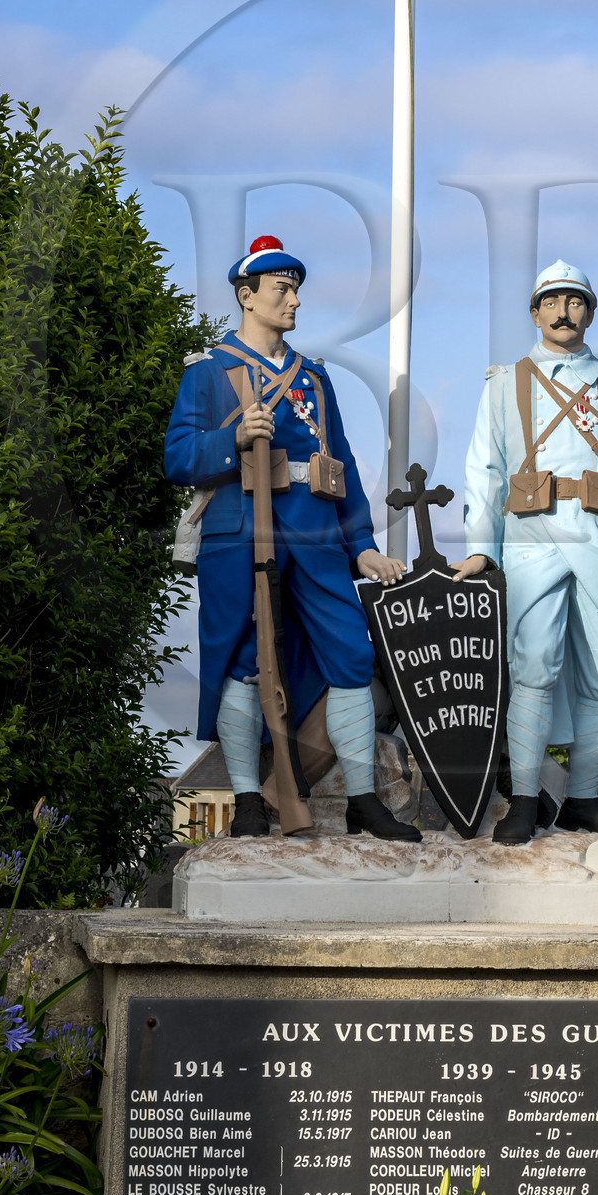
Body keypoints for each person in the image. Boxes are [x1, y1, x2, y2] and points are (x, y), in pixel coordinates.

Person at [164, 235, 418, 843]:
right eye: (282, 288)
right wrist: (230, 439)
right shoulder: (208, 373)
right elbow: (178, 456)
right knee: (244, 665)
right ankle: (249, 800)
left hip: (314, 533)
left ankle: (364, 802)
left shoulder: (314, 379)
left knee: (351, 657)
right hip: (238, 531)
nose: (295, 299)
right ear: (247, 296)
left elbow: (343, 466)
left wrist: (360, 543)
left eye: (296, 287)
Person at [456, 260, 598, 846]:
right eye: (552, 301)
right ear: (535, 312)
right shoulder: (504, 383)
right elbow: (485, 470)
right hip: (531, 537)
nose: (564, 311)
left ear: (590, 311)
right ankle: (526, 801)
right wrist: (483, 550)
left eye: (576, 300)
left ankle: (584, 802)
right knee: (532, 665)